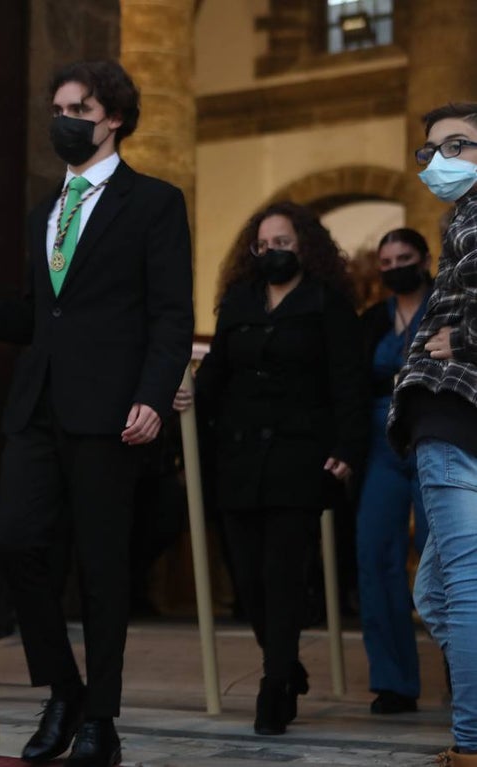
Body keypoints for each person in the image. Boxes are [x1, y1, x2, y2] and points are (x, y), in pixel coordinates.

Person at [0, 60, 193, 766]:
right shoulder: (43, 212)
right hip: (39, 405)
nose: (64, 117)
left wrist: (152, 394)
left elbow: (171, 314)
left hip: (113, 411)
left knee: (103, 567)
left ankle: (100, 719)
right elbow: (43, 315)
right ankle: (64, 686)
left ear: (113, 117)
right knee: (16, 541)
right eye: (57, 105)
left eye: (77, 106)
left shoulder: (155, 203)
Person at [183, 201, 368, 736]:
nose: (272, 253)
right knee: (248, 581)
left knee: (282, 575)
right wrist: (185, 394)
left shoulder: (328, 304)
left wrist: (348, 448)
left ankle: (274, 686)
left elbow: (348, 383)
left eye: (282, 243)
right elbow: (217, 370)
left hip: (298, 458)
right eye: (263, 245)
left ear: (304, 246)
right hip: (238, 459)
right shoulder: (239, 300)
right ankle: (285, 661)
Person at [389, 101, 477, 766]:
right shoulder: (461, 220)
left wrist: (464, 338)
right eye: (432, 150)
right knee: (435, 588)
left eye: (461, 145)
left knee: (460, 585)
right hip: (447, 414)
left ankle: (472, 742)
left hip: (454, 410)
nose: (441, 160)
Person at [357, 227, 433, 716]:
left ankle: (461, 673)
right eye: (385, 262)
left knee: (443, 557)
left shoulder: (450, 305)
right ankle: (394, 681)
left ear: (425, 259)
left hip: (435, 438)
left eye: (403, 258)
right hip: (382, 444)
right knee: (374, 553)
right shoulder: (370, 320)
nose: (393, 268)